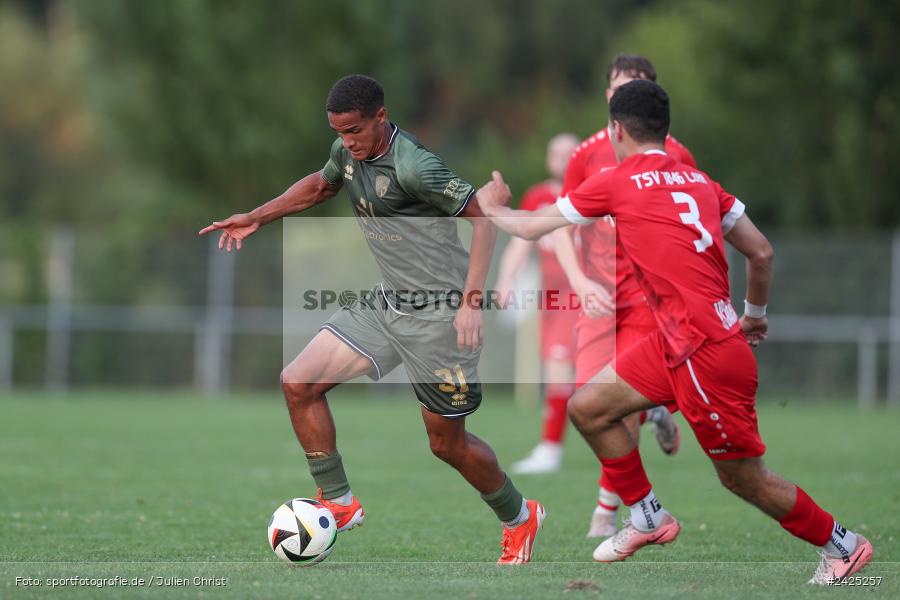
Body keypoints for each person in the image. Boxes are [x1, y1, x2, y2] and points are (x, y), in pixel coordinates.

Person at [475, 79, 873, 583]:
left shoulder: (618, 179)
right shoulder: (702, 182)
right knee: (589, 407)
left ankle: (843, 545)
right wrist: (753, 313)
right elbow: (762, 251)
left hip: (702, 352)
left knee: (743, 479)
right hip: (685, 341)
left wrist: (492, 206)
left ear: (616, 130)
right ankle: (646, 514)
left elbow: (533, 228)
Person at [199, 74, 544, 565]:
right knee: (298, 382)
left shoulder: (416, 166)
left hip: (439, 319)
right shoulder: (347, 152)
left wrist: (471, 303)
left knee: (447, 445)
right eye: (340, 132)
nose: (348, 142)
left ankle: (520, 516)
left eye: (355, 130)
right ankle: (338, 503)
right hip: (387, 305)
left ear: (381, 117)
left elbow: (484, 219)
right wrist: (257, 215)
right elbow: (321, 186)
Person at [555, 55, 687, 537]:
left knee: (617, 406)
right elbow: (559, 228)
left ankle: (609, 510)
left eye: (634, 85)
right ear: (607, 93)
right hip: (598, 301)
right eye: (616, 85)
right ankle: (653, 412)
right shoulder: (585, 156)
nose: (622, 92)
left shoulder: (678, 159)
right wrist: (581, 282)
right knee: (588, 403)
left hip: (647, 303)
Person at [492, 133, 582, 475]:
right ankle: (550, 449)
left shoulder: (590, 192)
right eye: (556, 153)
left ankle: (551, 448)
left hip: (588, 296)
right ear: (548, 159)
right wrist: (505, 279)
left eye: (569, 153)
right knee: (559, 375)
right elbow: (521, 243)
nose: (562, 159)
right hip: (555, 301)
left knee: (596, 380)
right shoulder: (538, 196)